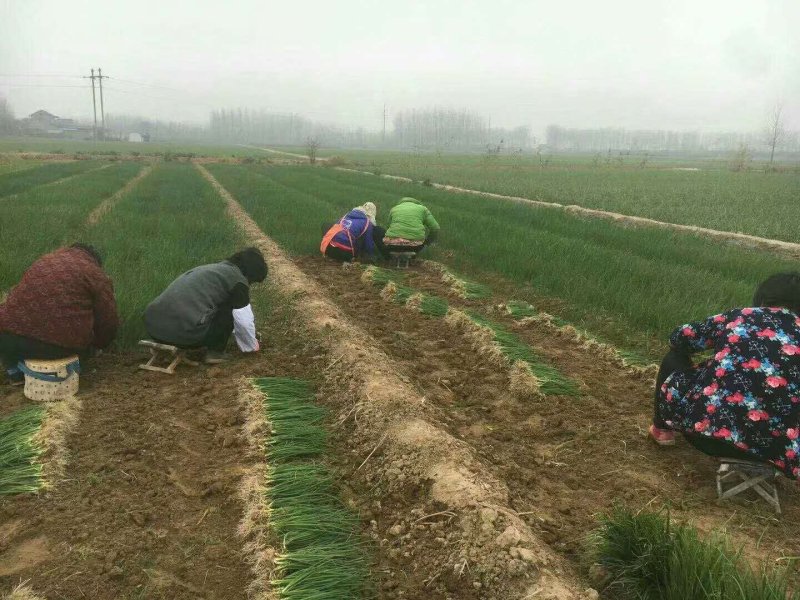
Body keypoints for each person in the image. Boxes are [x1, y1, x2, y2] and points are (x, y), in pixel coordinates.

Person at [650, 272, 800, 480]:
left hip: (709, 438)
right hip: (778, 455)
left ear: (763, 299)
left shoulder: (741, 316)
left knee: (675, 358)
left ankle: (662, 430)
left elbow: (679, 339)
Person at [0, 244, 119, 383]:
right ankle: (54, 373)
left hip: (7, 339)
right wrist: (99, 345)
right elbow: (108, 323)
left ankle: (15, 369)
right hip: (58, 350)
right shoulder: (95, 274)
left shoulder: (44, 261)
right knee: (82, 349)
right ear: (95, 261)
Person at [144, 247, 267, 364]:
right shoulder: (238, 281)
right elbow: (243, 319)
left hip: (154, 328)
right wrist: (251, 345)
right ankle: (215, 353)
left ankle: (172, 337)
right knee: (230, 307)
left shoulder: (215, 270)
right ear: (251, 274)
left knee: (217, 306)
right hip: (182, 335)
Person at [320, 202, 386, 263]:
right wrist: (371, 256)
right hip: (343, 254)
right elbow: (368, 244)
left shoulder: (346, 216)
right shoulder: (367, 223)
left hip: (328, 248)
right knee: (361, 237)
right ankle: (354, 257)